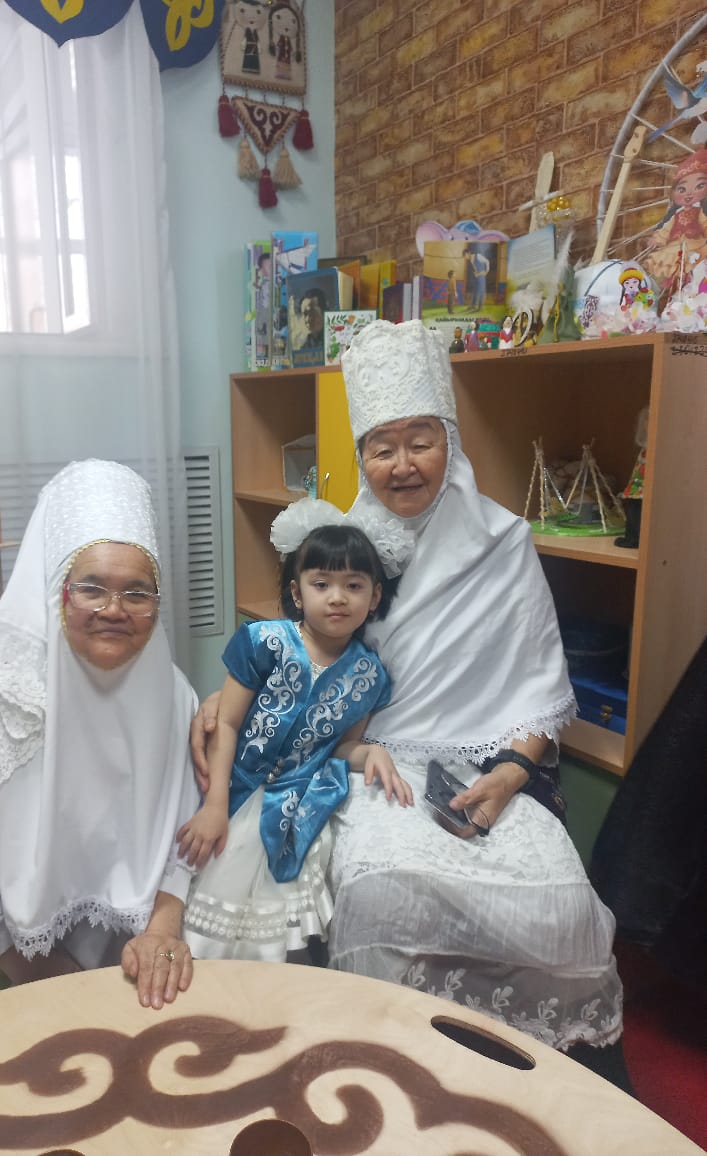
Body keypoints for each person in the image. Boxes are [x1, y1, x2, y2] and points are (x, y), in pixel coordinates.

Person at [194, 322, 625, 1064]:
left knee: (560, 897)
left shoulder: (503, 543)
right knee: (380, 885)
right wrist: (225, 696)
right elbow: (298, 645)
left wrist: (509, 776)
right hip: (375, 759)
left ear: (449, 442)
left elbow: (538, 690)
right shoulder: (347, 548)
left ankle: (536, 1069)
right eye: (381, 447)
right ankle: (385, 1056)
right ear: (362, 457)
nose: (401, 465)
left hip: (491, 763)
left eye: (420, 441)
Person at [0, 459, 200, 1010]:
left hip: (134, 946)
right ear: (56, 588)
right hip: (11, 957)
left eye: (138, 593)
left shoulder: (173, 694)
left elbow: (186, 826)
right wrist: (47, 974)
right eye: (92, 588)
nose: (114, 611)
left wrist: (161, 930)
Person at [180, 510, 413, 962]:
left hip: (294, 805)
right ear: (297, 592)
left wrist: (369, 754)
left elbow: (343, 745)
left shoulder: (369, 676)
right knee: (207, 911)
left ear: (374, 596)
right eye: (321, 584)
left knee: (267, 934)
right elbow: (226, 722)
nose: (337, 597)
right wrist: (215, 804)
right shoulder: (264, 641)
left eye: (354, 585)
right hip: (231, 788)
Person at [642, 149, 707, 290]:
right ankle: (676, 285)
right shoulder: (676, 214)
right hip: (675, 246)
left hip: (695, 243)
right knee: (673, 267)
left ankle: (691, 285)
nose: (689, 194)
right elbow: (667, 229)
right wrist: (657, 239)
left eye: (699, 186)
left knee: (695, 266)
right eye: (682, 189)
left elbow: (704, 223)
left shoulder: (700, 211)